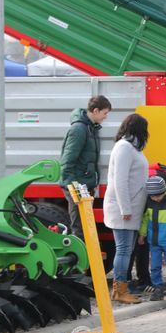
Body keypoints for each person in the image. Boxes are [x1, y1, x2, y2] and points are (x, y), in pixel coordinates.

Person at [103, 113, 149, 305]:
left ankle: (122, 288)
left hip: (130, 209)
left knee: (127, 250)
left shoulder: (130, 148)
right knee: (123, 250)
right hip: (124, 210)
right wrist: (125, 208)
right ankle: (119, 290)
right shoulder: (124, 148)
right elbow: (119, 181)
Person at [59, 95, 112, 239]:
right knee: (79, 228)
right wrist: (72, 187)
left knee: (84, 227)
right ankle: (80, 259)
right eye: (105, 113)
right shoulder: (80, 130)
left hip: (84, 185)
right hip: (77, 186)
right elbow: (68, 160)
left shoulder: (90, 129)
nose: (105, 117)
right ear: (95, 111)